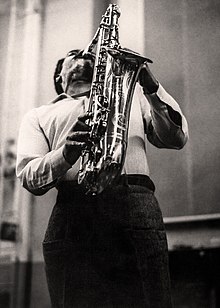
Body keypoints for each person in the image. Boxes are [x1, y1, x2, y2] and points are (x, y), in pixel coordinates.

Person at [16, 48, 188, 308]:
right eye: (72, 55)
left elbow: (176, 138)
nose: (82, 53)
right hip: (72, 209)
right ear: (59, 78)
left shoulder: (132, 98)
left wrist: (151, 87)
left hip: (135, 202)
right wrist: (65, 154)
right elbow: (29, 176)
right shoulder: (38, 115)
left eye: (88, 55)